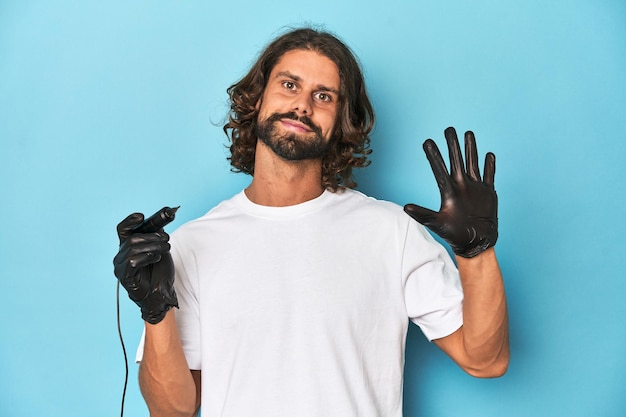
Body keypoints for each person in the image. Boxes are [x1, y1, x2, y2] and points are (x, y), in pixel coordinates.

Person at [113, 27, 509, 417]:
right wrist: (155, 312)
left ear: (341, 122)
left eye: (323, 96)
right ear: (257, 100)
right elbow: (171, 411)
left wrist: (476, 253)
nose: (303, 105)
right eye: (289, 85)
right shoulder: (193, 244)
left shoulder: (392, 232)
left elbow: (485, 361)